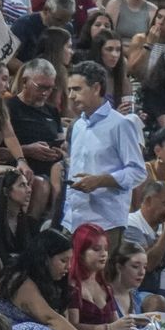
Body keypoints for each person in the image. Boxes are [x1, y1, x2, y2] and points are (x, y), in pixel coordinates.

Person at [62, 60, 147, 245]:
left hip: (105, 222)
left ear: (96, 88)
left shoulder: (121, 124)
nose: (71, 96)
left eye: (77, 89)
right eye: (69, 90)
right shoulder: (77, 125)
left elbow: (138, 171)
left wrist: (100, 180)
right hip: (73, 220)